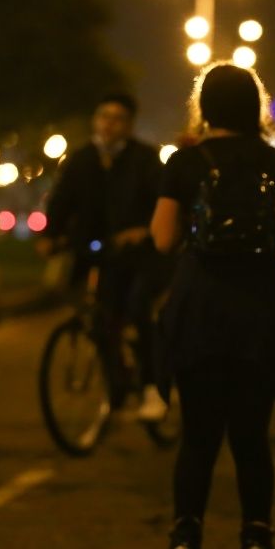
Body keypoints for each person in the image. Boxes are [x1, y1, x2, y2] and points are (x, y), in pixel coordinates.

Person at [151, 63, 275, 549]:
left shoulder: (186, 164)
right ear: (255, 108)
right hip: (258, 316)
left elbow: (164, 237)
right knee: (251, 440)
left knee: (198, 439)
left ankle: (183, 545)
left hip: (200, 313)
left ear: (205, 109)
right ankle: (257, 543)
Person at [38, 93, 170, 422]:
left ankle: (155, 387)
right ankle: (117, 387)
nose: (108, 124)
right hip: (104, 252)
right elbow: (61, 199)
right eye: (103, 117)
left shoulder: (145, 159)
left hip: (142, 255)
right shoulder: (82, 159)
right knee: (102, 319)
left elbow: (162, 202)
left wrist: (143, 230)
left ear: (129, 124)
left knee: (139, 308)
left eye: (117, 118)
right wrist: (50, 235)